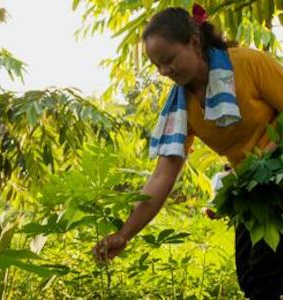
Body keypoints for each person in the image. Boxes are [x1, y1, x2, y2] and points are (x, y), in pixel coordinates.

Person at [92, 4, 283, 299]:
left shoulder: (248, 64)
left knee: (264, 274)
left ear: (194, 42)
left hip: (275, 176)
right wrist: (124, 233)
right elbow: (162, 177)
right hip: (252, 190)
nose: (165, 72)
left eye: (169, 60)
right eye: (157, 66)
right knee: (252, 276)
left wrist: (265, 155)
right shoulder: (182, 108)